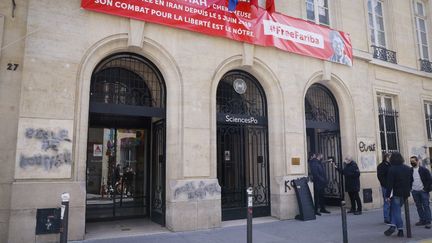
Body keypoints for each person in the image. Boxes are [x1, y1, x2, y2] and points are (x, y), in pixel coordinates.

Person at [384, 152, 413, 237]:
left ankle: (400, 229)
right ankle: (393, 226)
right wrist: (409, 189)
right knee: (395, 210)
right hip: (405, 193)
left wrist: (387, 196)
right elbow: (411, 180)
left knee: (396, 211)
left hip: (396, 193)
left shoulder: (392, 169)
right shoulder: (407, 168)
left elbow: (389, 184)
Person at [410, 156, 432, 229]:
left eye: (413, 161)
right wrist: (411, 189)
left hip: (423, 191)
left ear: (417, 161)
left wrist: (425, 189)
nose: (412, 163)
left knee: (426, 206)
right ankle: (422, 220)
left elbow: (429, 180)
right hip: (414, 191)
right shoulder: (410, 170)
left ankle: (428, 221)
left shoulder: (424, 170)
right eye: (411, 161)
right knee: (418, 206)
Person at [377, 153, 392, 224]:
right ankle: (387, 218)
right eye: (389, 157)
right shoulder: (381, 166)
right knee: (387, 202)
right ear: (386, 158)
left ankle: (391, 216)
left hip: (392, 187)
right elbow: (380, 177)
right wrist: (385, 185)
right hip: (386, 187)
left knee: (392, 202)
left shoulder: (391, 165)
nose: (391, 158)